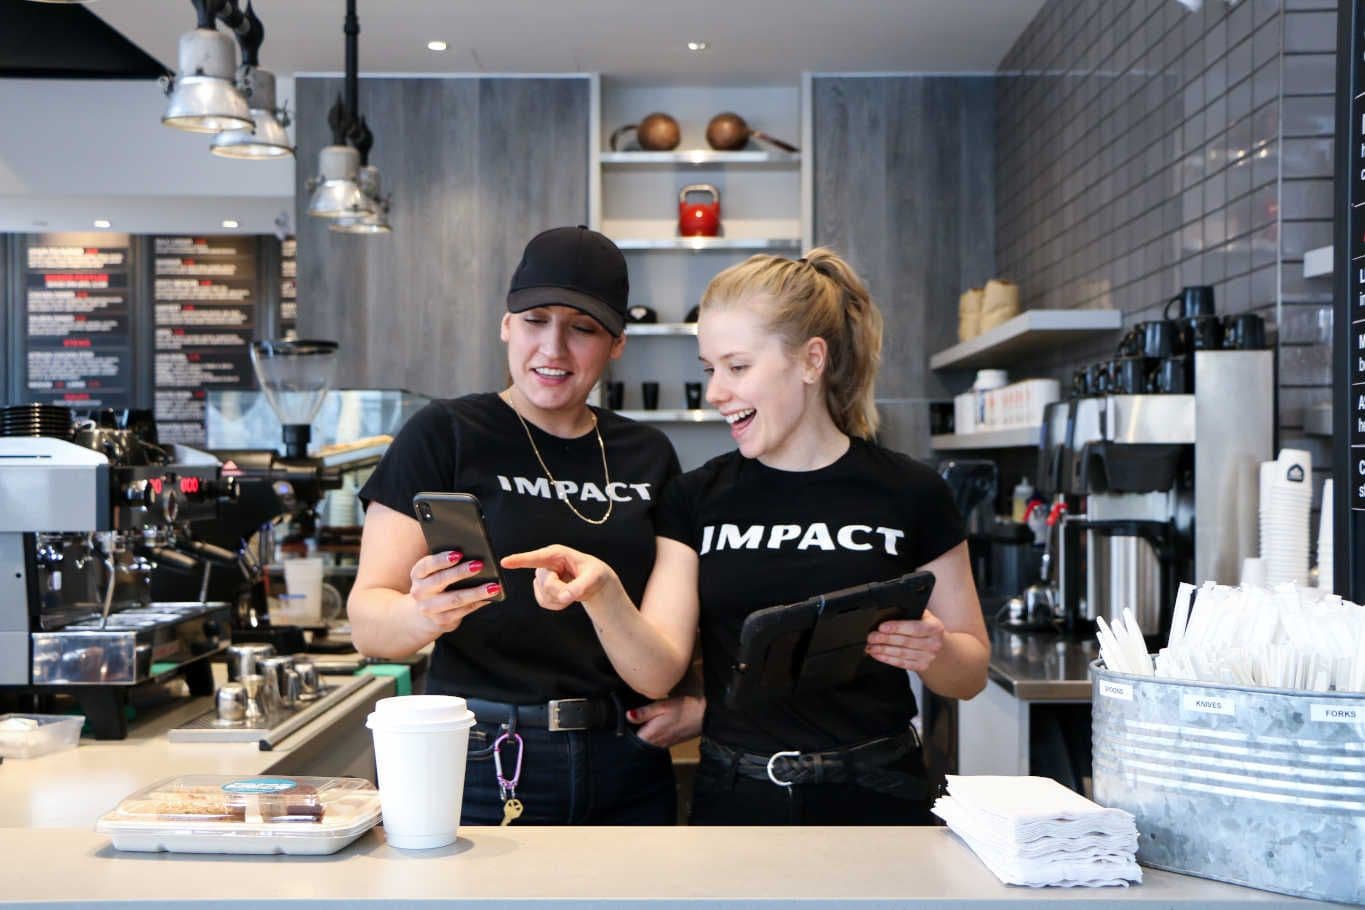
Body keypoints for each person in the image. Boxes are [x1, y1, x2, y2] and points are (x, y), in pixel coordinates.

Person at [503, 248, 989, 825]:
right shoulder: (695, 498)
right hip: (737, 799)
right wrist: (603, 592)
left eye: (737, 367)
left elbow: (971, 672)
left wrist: (935, 650)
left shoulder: (912, 491)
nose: (714, 393)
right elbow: (657, 669)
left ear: (811, 361)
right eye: (710, 370)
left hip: (879, 795)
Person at [349, 226, 686, 825]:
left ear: (615, 345)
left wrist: (603, 596)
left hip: (624, 760)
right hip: (478, 759)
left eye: (582, 329)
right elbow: (369, 625)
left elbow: (658, 671)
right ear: (506, 325)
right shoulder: (445, 434)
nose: (553, 349)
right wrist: (420, 613)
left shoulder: (648, 454)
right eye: (535, 320)